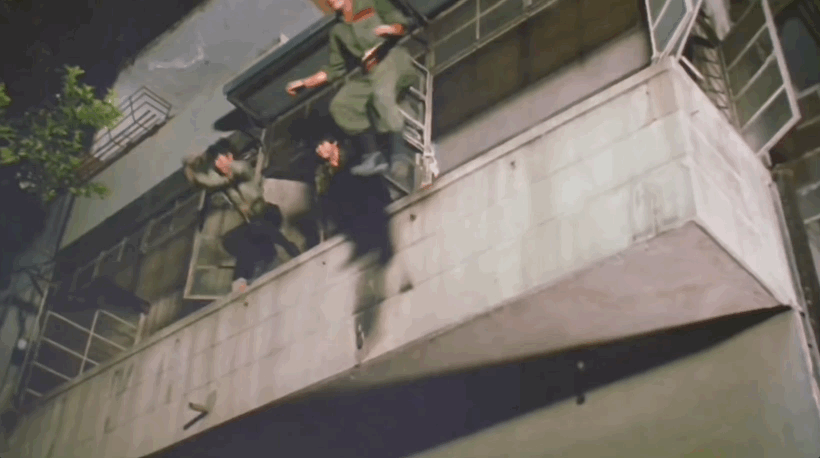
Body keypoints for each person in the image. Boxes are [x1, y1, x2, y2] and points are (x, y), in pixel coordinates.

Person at [286, 0, 418, 177]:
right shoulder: (338, 31)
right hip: (369, 73)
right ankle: (373, 156)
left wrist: (390, 30)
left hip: (392, 59)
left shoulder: (372, 2)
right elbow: (334, 69)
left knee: (381, 95)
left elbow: (402, 24)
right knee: (341, 104)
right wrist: (304, 83)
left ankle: (400, 155)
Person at [182, 147, 300, 292]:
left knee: (259, 224)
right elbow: (205, 182)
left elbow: (236, 171)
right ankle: (243, 277)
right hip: (255, 225)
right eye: (217, 164)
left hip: (269, 213)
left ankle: (288, 248)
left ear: (230, 157)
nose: (221, 166)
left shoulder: (243, 168)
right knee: (232, 240)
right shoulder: (224, 182)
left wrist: (226, 166)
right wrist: (189, 168)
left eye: (222, 161)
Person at [314, 135, 393, 265]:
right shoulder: (326, 173)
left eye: (323, 145)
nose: (321, 150)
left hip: (366, 199)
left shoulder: (352, 158)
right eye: (319, 149)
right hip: (347, 209)